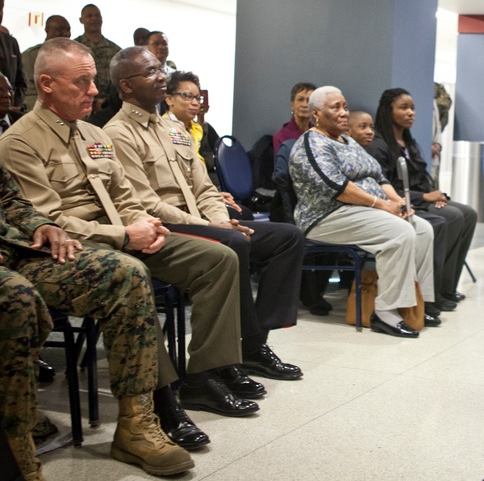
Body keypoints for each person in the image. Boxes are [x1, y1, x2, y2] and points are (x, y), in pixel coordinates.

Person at [0, 38, 257, 440]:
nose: (94, 92)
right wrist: (124, 234)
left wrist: (144, 226)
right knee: (131, 273)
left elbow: (124, 196)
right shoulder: (19, 142)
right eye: (82, 83)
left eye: (93, 81)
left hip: (127, 233)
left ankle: (205, 374)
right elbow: (43, 219)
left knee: (219, 258)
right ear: (47, 84)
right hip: (77, 247)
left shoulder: (91, 133)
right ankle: (163, 395)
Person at [105, 47, 306, 385]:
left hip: (205, 223)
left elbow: (205, 189)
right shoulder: (118, 133)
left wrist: (219, 218)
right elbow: (145, 203)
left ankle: (253, 344)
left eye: (161, 70)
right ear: (126, 86)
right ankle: (238, 353)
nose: (161, 77)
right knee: (231, 241)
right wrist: (210, 225)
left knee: (288, 237)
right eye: (151, 72)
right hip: (165, 229)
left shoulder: (175, 131)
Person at [0, 166, 194, 477]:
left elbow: (8, 198)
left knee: (126, 275)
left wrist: (43, 224)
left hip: (21, 249)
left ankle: (136, 425)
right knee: (16, 298)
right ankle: (16, 451)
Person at [289, 86, 437, 337]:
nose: (343, 112)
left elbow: (379, 177)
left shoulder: (347, 141)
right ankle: (385, 313)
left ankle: (415, 304)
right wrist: (383, 205)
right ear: (316, 113)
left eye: (344, 106)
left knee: (422, 229)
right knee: (400, 232)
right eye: (335, 107)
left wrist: (399, 203)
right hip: (327, 215)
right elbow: (338, 188)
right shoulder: (311, 144)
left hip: (363, 210)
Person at [368, 88, 477, 313]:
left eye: (413, 108)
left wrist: (437, 196)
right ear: (388, 111)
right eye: (404, 108)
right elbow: (385, 186)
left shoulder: (409, 142)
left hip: (422, 198)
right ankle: (430, 295)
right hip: (403, 202)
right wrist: (425, 197)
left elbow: (421, 177)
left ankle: (447, 288)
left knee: (468, 213)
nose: (411, 113)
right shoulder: (379, 144)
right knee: (452, 217)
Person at [74, 3, 121, 110]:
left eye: (97, 15)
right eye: (89, 16)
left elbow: (119, 79)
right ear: (81, 20)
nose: (94, 19)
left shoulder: (116, 50)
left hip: (108, 106)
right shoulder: (73, 48)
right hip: (79, 103)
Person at [21, 14, 72, 110]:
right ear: (47, 30)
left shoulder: (73, 57)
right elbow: (29, 93)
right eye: (60, 30)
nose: (65, 34)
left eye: (68, 30)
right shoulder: (31, 56)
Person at [0, 0, 28, 110]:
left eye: (1, 8)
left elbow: (21, 81)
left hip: (9, 113)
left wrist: (15, 104)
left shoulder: (10, 42)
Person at [273, 82, 316, 154]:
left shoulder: (319, 133)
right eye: (300, 100)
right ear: (292, 105)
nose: (305, 105)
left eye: (309, 100)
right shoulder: (281, 136)